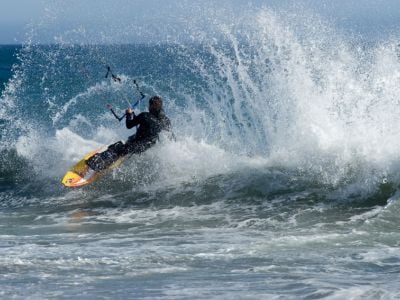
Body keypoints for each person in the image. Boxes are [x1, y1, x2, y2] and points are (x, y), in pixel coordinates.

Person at [86, 96, 172, 171]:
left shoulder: (145, 115)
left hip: (138, 145)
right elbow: (161, 130)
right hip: (149, 145)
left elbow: (129, 125)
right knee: (131, 139)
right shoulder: (165, 120)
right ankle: (124, 151)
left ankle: (96, 164)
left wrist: (128, 114)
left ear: (150, 106)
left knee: (117, 146)